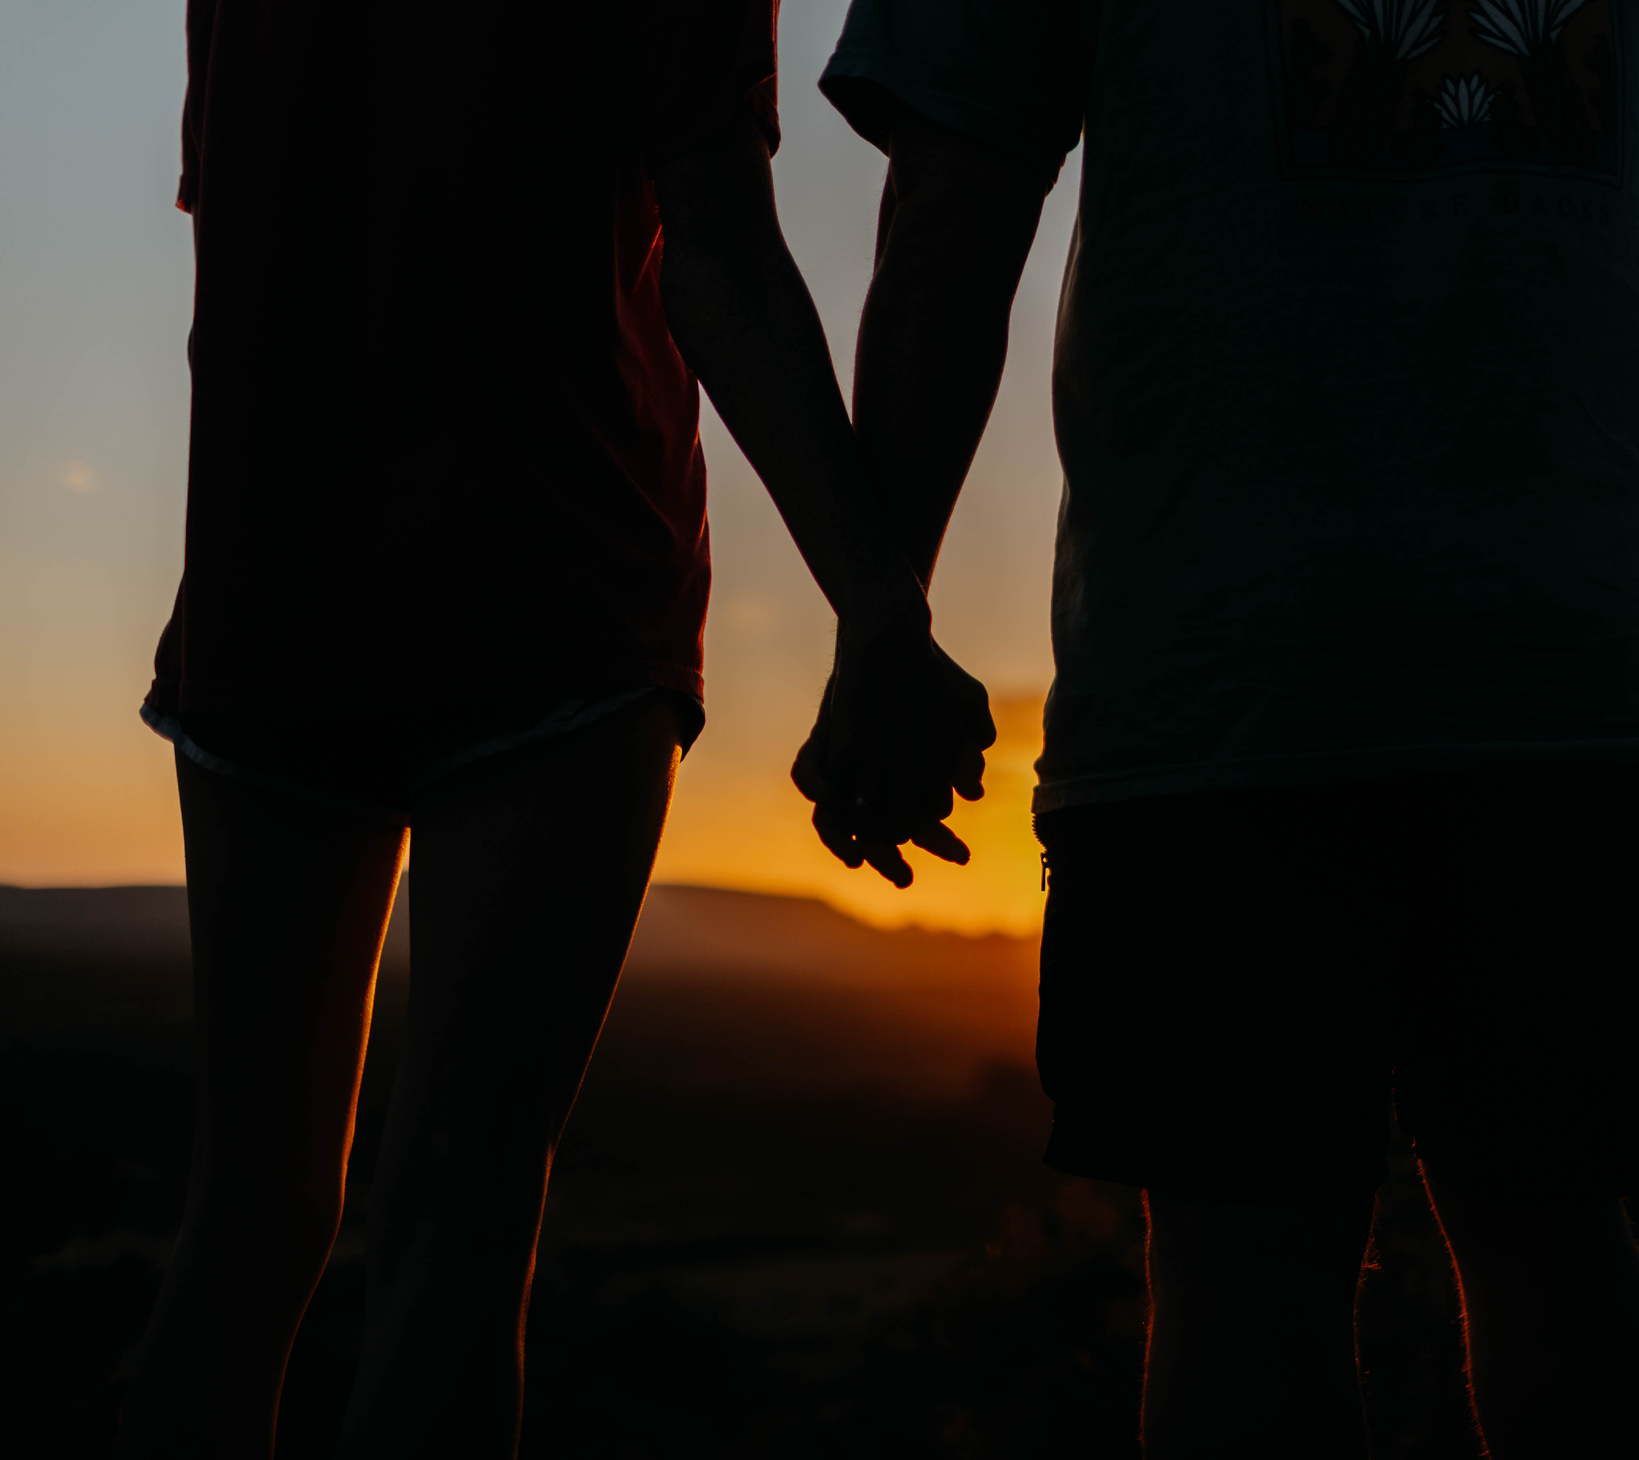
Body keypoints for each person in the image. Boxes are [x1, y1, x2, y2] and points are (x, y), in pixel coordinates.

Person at [802, 1, 1639, 1454]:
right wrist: (1570, 473)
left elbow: (954, 208)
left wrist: (882, 615)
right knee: (1552, 1228)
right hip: (1568, 663)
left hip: (1220, 660)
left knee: (1240, 1264)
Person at [116, 2, 990, 1455]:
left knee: (248, 1229)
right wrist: (880, 608)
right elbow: (717, 259)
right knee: (458, 1236)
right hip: (554, 603)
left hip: (270, 599)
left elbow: (258, 222)